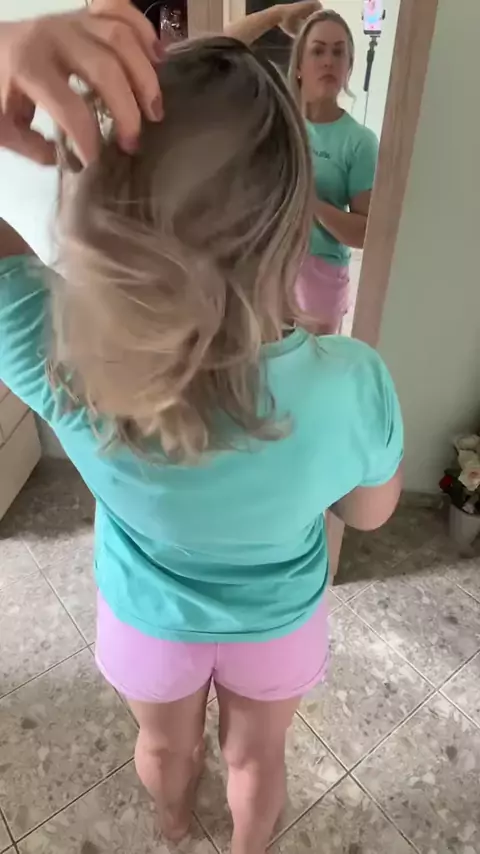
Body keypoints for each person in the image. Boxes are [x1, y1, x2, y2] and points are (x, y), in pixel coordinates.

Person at [0, 4, 403, 854]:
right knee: (258, 758)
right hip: (278, 624)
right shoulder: (353, 382)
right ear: (290, 225)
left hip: (149, 623)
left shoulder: (64, 356)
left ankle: (173, 823)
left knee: (163, 747)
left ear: (113, 208)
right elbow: (369, 516)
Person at [227, 5, 379, 334]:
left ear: (349, 67)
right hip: (268, 268)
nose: (328, 61)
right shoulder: (276, 121)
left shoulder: (360, 142)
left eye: (338, 53)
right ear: (298, 65)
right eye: (318, 51)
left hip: (321, 282)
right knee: (266, 358)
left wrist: (310, 202)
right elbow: (220, 51)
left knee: (315, 363)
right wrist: (276, 15)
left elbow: (365, 233)